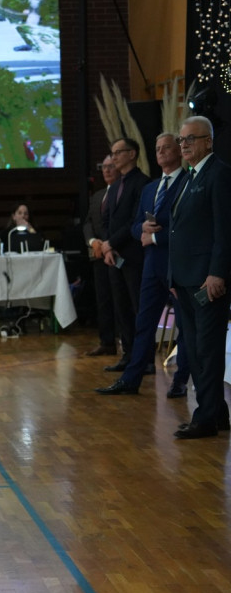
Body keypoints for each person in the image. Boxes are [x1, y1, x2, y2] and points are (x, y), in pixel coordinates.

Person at [96, 133, 192, 396]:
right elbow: (136, 223)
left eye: (167, 147)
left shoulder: (188, 182)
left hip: (178, 263)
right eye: (158, 148)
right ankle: (131, 379)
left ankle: (180, 380)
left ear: (179, 151)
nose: (161, 152)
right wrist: (144, 229)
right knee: (144, 322)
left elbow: (188, 226)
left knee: (184, 325)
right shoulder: (151, 188)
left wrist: (155, 236)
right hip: (151, 264)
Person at [168, 116, 231, 439]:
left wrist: (218, 272)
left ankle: (205, 418)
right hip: (185, 279)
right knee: (195, 348)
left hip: (207, 280)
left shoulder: (219, 175)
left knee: (207, 350)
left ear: (208, 140)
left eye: (190, 139)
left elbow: (225, 231)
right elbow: (177, 229)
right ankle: (218, 412)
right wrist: (172, 278)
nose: (184, 145)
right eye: (181, 140)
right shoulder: (188, 176)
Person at [100, 137, 150, 372]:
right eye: (112, 153)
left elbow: (134, 220)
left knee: (139, 308)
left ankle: (146, 358)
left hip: (133, 255)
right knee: (121, 308)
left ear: (132, 154)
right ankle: (128, 355)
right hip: (114, 256)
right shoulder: (115, 186)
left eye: (118, 152)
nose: (113, 157)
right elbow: (107, 220)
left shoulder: (142, 183)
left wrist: (111, 243)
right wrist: (107, 247)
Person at [82, 156, 118, 357]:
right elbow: (88, 223)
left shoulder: (122, 192)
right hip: (98, 255)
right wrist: (93, 242)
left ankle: (126, 342)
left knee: (121, 301)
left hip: (117, 253)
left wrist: (107, 244)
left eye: (111, 166)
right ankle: (107, 341)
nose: (107, 170)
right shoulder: (97, 196)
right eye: (104, 167)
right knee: (103, 299)